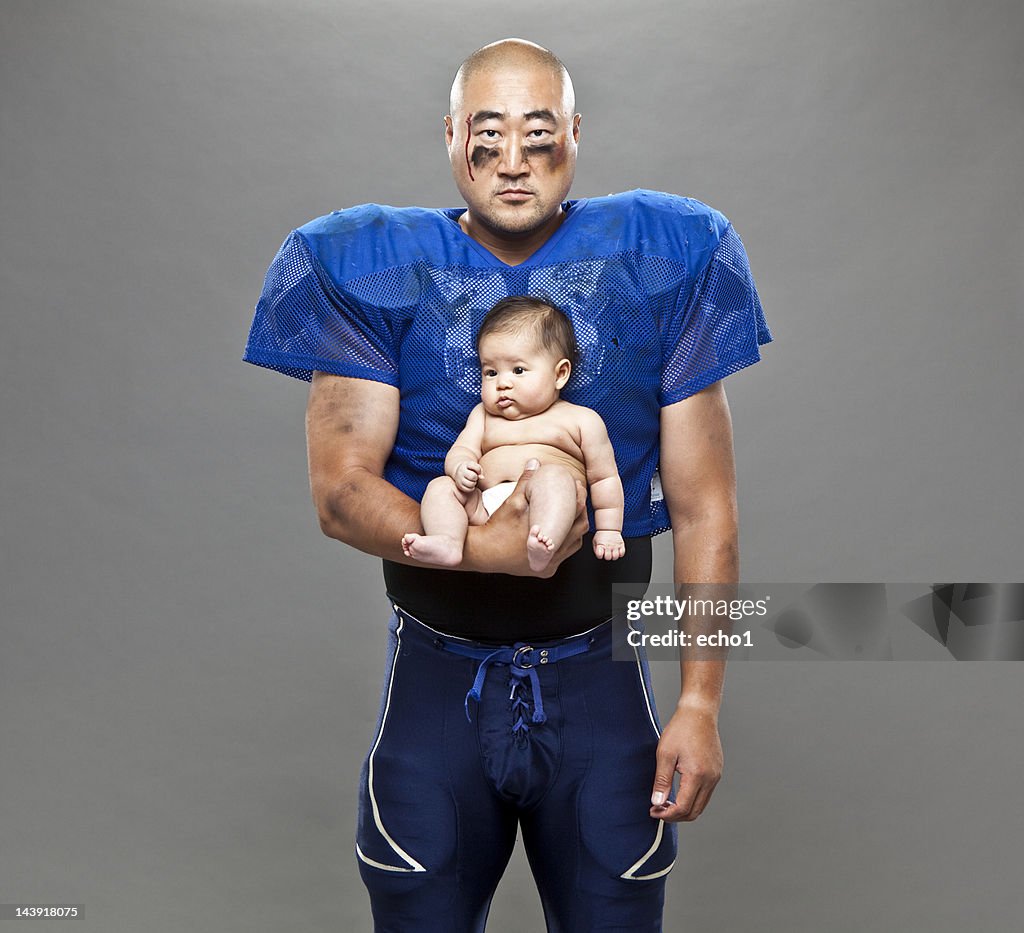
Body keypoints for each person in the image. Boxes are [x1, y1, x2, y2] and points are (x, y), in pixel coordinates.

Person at [243, 37, 771, 933]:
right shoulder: (371, 266)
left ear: (576, 133)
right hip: (437, 672)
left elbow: (703, 507)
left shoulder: (667, 256)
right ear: (451, 137)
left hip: (604, 673)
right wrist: (489, 548)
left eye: (540, 131)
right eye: (488, 134)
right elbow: (341, 492)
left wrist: (700, 699)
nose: (515, 160)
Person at [401, 295, 626, 572]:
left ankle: (545, 542)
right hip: (483, 508)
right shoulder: (483, 416)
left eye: (518, 370)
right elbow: (462, 450)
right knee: (441, 487)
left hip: (542, 510)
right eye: (491, 372)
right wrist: (460, 467)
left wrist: (609, 530)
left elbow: (604, 478)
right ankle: (447, 541)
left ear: (560, 374)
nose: (502, 383)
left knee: (554, 476)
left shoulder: (581, 420)